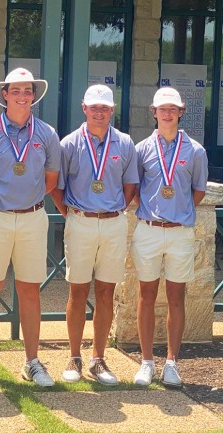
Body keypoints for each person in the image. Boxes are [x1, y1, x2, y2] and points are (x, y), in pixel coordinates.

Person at [0, 68, 60, 387]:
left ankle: (32, 362)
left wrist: (22, 203)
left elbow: (50, 181)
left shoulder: (46, 134)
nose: (22, 95)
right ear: (4, 94)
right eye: (16, 90)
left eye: (28, 90)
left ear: (34, 95)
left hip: (34, 217)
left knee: (30, 290)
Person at [50, 84, 138, 385]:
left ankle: (98, 358)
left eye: (105, 107)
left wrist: (112, 211)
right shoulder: (69, 144)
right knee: (77, 291)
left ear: (112, 111)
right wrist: (74, 215)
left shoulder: (125, 143)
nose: (99, 112)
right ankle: (74, 356)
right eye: (94, 107)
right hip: (80, 221)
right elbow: (57, 188)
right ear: (84, 108)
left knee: (105, 292)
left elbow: (130, 187)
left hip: (114, 222)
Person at [131, 87, 207, 388]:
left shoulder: (195, 150)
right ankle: (147, 361)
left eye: (172, 108)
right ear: (154, 111)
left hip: (180, 233)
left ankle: (172, 363)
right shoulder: (141, 149)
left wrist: (177, 209)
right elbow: (135, 189)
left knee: (176, 297)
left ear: (181, 111)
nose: (167, 113)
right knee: (145, 295)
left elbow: (198, 192)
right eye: (162, 108)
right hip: (148, 230)